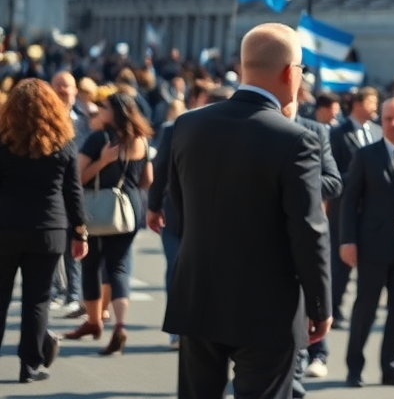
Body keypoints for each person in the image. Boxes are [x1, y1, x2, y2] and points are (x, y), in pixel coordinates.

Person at [164, 23, 331, 399]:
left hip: (198, 292)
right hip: (267, 305)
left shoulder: (188, 125)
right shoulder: (297, 139)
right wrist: (320, 304)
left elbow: (180, 207)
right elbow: (308, 228)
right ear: (290, 72)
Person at [0, 79, 87, 383]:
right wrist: (80, 232)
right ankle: (29, 364)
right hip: (48, 230)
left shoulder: (3, 139)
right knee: (37, 300)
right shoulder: (63, 142)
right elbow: (73, 193)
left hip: (5, 228)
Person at [340, 97, 394, 388]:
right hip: (372, 246)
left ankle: (390, 367)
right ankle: (354, 367)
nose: (393, 124)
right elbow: (350, 201)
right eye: (388, 118)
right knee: (364, 309)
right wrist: (347, 240)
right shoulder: (366, 156)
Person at [147, 86, 234, 350]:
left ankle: (205, 326)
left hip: (216, 220)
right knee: (176, 269)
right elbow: (160, 169)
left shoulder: (238, 133)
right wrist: (153, 207)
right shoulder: (176, 129)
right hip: (177, 215)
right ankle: (177, 327)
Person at [67, 91, 153, 355]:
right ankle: (120, 325)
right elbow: (147, 180)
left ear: (114, 112)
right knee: (118, 267)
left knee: (91, 264)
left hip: (96, 210)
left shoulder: (98, 139)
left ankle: (94, 322)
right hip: (128, 212)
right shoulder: (141, 141)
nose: (98, 111)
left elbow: (78, 177)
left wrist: (104, 161)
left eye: (103, 108)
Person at [281, 100, 343, 387]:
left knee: (312, 297)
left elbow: (334, 181)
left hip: (307, 230)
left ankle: (314, 355)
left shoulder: (315, 131)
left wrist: (300, 181)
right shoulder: (256, 125)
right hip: (267, 239)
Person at [328, 86, 380, 330]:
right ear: (358, 104)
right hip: (344, 207)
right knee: (341, 261)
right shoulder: (339, 134)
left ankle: (364, 309)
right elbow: (331, 171)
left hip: (370, 208)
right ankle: (333, 308)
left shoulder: (377, 132)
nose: (375, 108)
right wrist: (358, 176)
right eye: (371, 102)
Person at [48, 71, 87, 318]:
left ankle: (73, 293)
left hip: (78, 187)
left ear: (75, 91)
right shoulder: (45, 119)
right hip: (53, 191)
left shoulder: (86, 119)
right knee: (52, 248)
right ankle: (54, 290)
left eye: (68, 86)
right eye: (59, 86)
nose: (64, 90)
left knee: (74, 245)